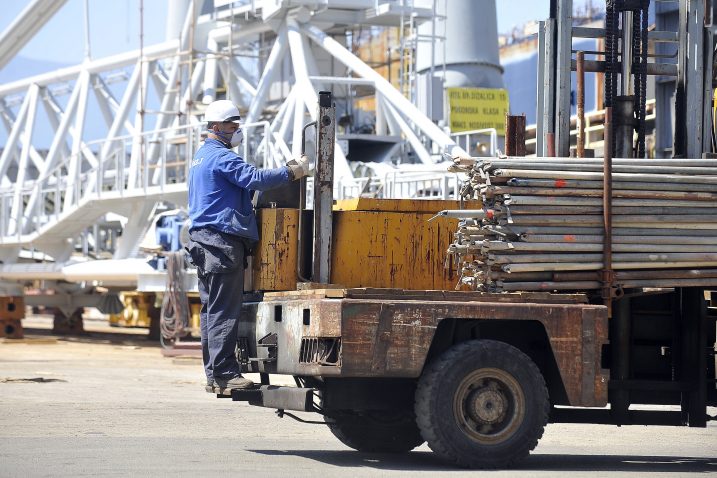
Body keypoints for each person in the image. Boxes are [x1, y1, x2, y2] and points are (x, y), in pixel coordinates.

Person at [187, 99, 309, 391]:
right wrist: (292, 171)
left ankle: (214, 375)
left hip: (204, 243)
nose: (236, 131)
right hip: (221, 242)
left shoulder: (201, 157)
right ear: (216, 127)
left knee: (210, 310)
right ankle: (226, 374)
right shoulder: (221, 157)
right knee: (223, 311)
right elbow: (254, 179)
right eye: (232, 126)